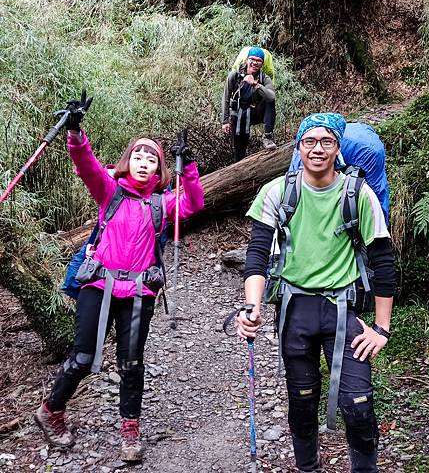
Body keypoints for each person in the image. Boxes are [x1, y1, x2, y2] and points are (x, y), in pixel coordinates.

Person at [35, 93, 204, 462]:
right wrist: (76, 132)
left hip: (141, 289)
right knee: (82, 356)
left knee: (131, 361)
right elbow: (88, 166)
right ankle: (51, 410)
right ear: (127, 163)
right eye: (138, 157)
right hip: (99, 284)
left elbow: (194, 203)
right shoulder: (110, 192)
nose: (144, 163)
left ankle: (130, 432)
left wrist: (188, 167)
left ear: (160, 171)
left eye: (153, 160)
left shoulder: (161, 203)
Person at [236, 112, 396, 473]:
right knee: (302, 402)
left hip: (342, 309)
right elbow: (258, 254)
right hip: (296, 310)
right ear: (298, 147)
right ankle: (308, 468)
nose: (317, 149)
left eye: (326, 142)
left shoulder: (359, 195)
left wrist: (382, 329)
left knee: (358, 404)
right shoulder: (277, 192)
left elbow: (383, 263)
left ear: (338, 148)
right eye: (309, 141)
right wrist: (252, 306)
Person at [222, 46, 276, 162]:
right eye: (252, 59)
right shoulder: (234, 75)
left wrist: (255, 84)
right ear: (247, 60)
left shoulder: (263, 78)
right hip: (238, 113)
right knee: (239, 148)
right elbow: (226, 97)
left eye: (258, 60)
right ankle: (239, 171)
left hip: (255, 112)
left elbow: (271, 97)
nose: (255, 63)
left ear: (262, 63)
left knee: (270, 101)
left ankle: (267, 137)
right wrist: (225, 121)